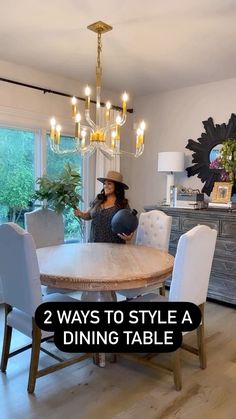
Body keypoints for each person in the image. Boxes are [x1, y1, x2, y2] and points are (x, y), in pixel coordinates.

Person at [74, 170, 133, 243]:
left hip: (114, 246)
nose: (105, 186)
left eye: (109, 184)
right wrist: (80, 214)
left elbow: (130, 222)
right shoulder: (98, 199)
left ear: (117, 187)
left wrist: (130, 235)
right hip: (95, 244)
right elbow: (89, 215)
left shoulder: (123, 203)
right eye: (104, 183)